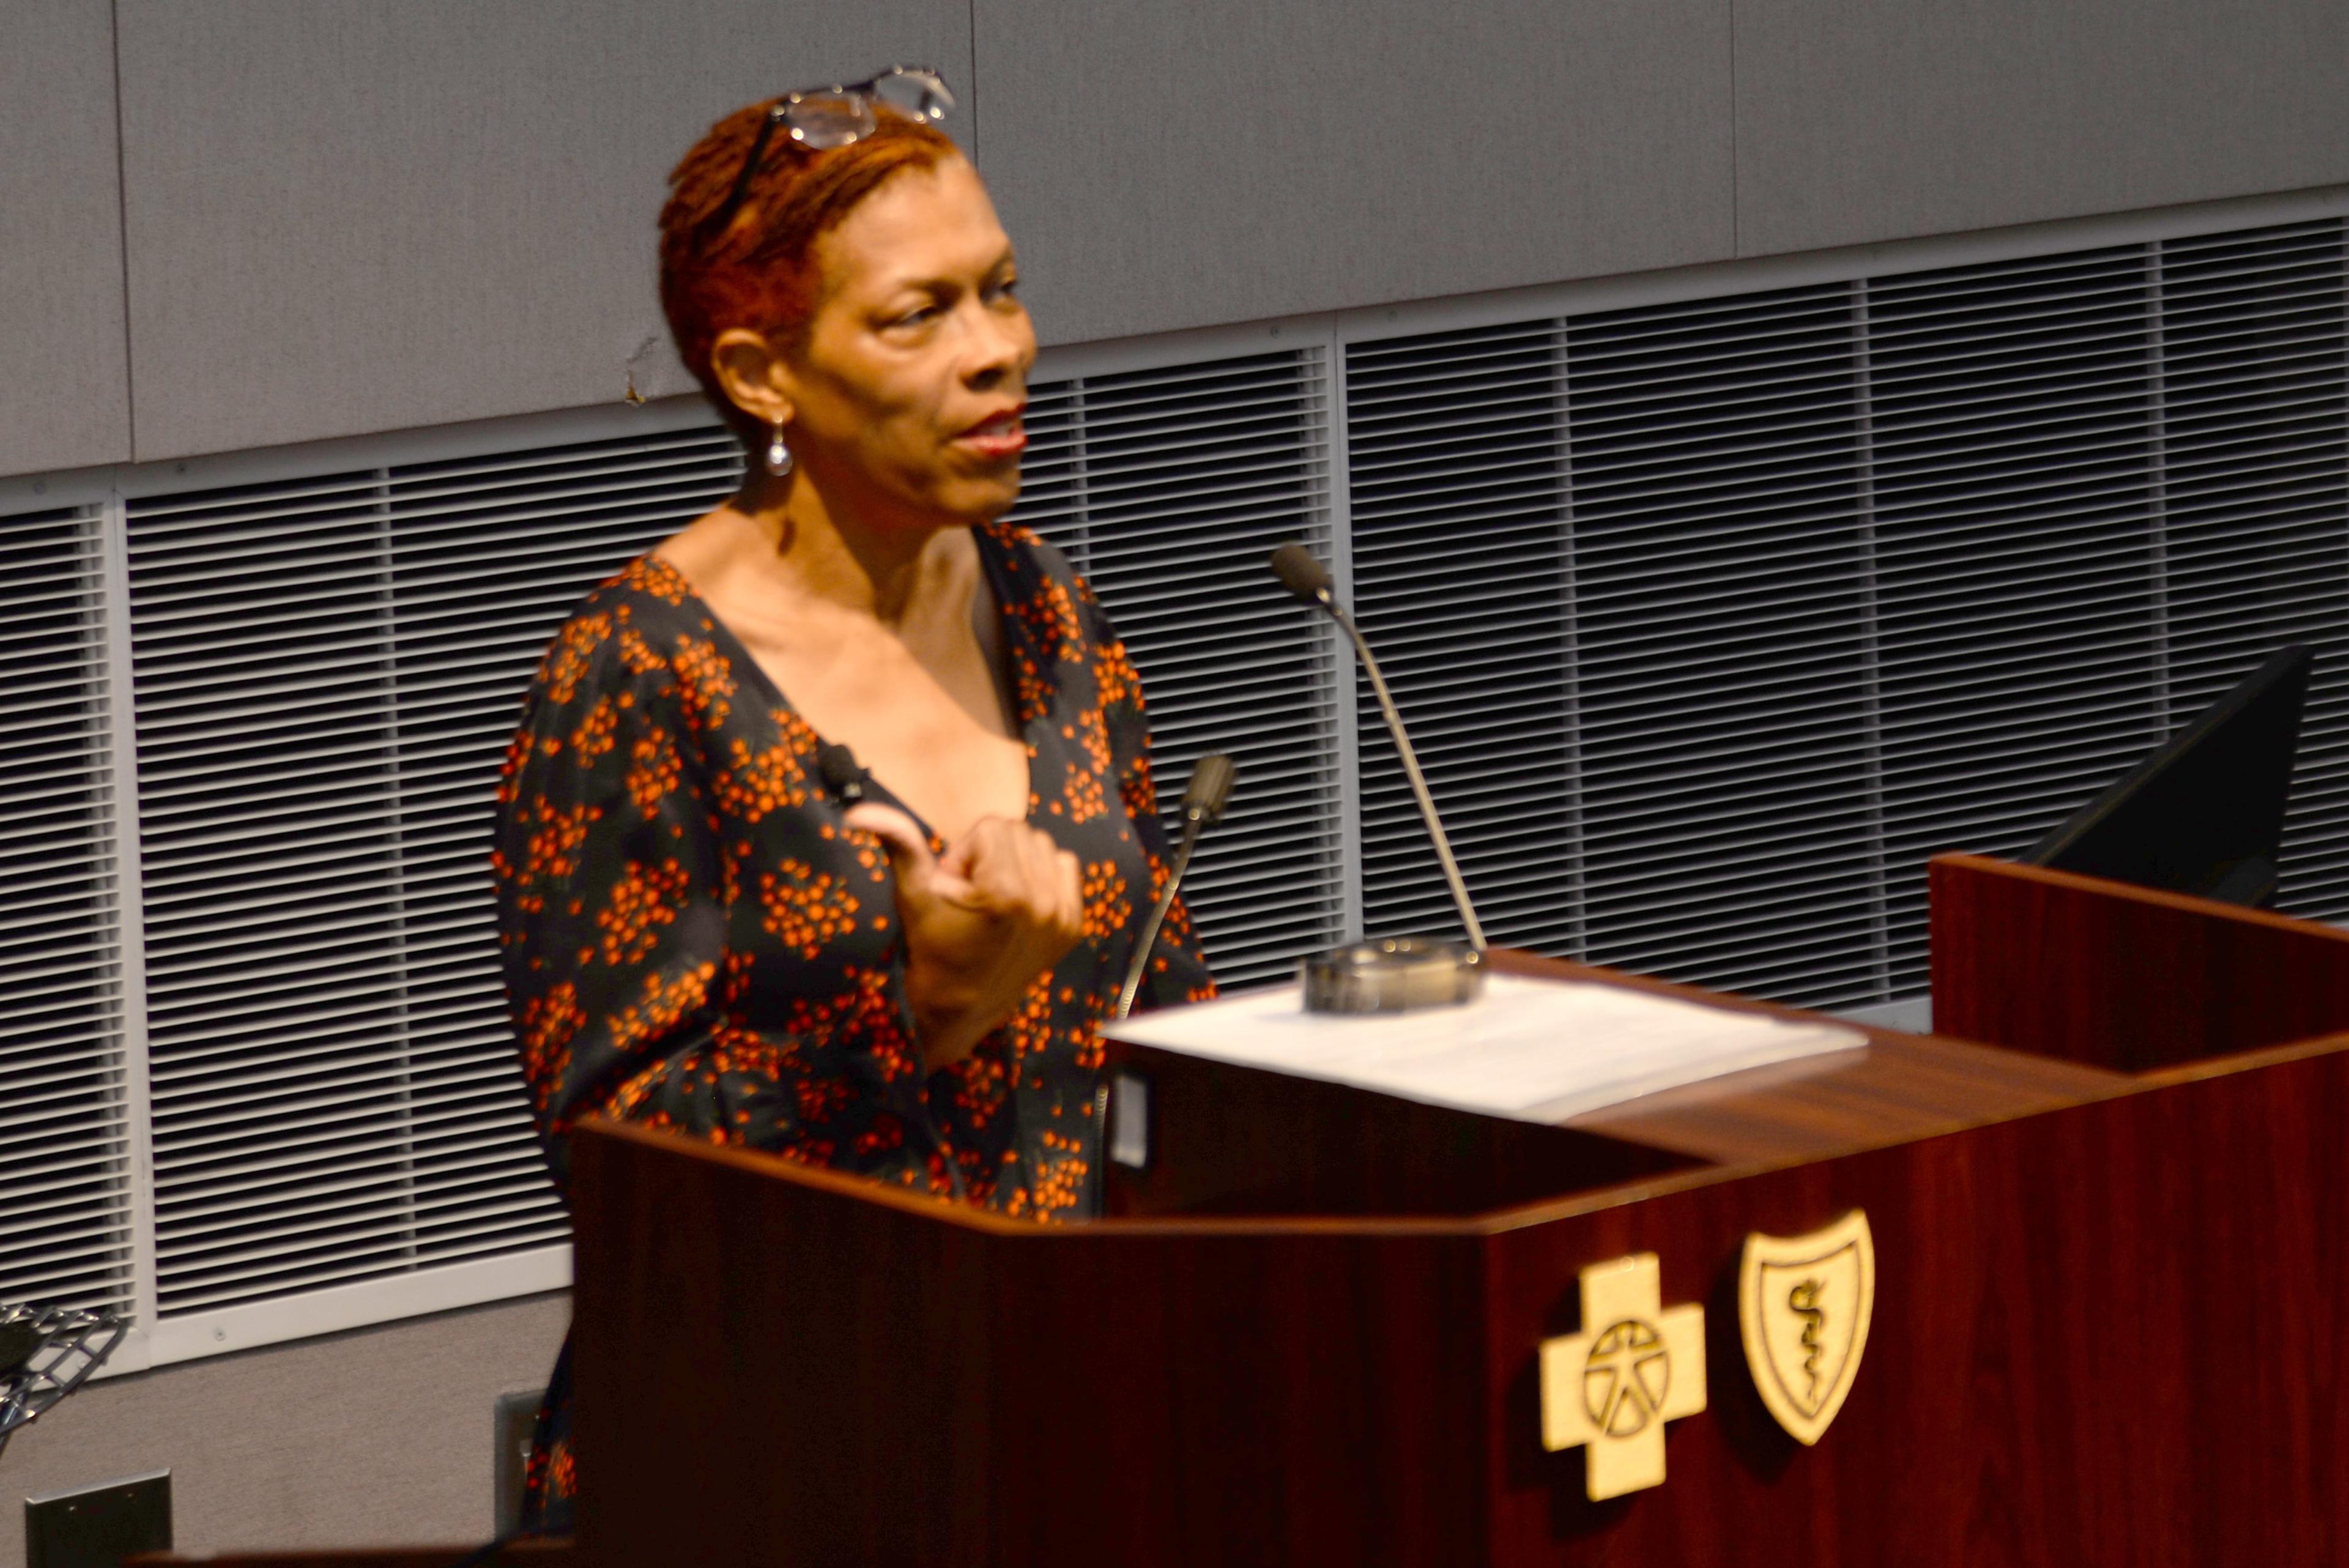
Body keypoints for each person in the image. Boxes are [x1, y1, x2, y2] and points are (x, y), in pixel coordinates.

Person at [488, 68, 1214, 1534]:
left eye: (1001, 292)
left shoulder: (1050, 612)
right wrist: (928, 1006)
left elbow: (1162, 1034)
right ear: (762, 374)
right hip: (773, 1469)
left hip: (1068, 1436)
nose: (998, 352)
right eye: (918, 315)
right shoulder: (640, 675)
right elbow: (633, 1199)